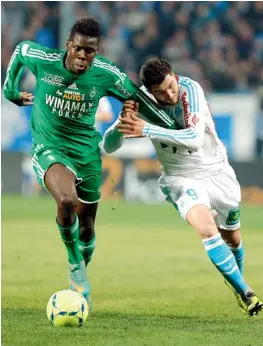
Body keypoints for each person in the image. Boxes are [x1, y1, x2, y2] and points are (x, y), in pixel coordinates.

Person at [3, 18, 177, 307]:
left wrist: (172, 127)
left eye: (91, 51)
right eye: (80, 49)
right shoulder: (44, 61)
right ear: (69, 46)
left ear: (97, 51)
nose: (84, 56)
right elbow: (20, 50)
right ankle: (73, 264)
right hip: (50, 146)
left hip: (86, 153)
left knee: (87, 229)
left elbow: (137, 98)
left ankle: (78, 276)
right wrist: (10, 90)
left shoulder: (106, 74)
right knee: (66, 200)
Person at [103, 57, 263, 317]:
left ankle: (236, 280)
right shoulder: (141, 103)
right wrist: (123, 125)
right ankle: (246, 291)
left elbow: (195, 138)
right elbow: (107, 146)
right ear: (149, 92)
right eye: (160, 92)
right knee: (206, 229)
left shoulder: (191, 90)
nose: (169, 94)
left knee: (232, 237)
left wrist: (147, 129)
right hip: (181, 177)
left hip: (217, 170)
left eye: (170, 86)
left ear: (174, 76)